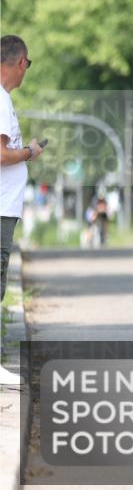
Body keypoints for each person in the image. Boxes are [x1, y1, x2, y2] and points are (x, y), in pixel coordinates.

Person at [1, 35, 44, 386]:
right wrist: (28, 151)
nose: (26, 72)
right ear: (19, 63)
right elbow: (1, 155)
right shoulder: (0, 101)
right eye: (27, 65)